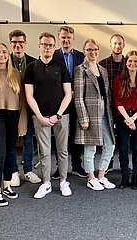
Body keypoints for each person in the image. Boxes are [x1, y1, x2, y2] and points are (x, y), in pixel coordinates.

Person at [24, 32, 72, 199]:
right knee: (44, 151)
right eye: (44, 45)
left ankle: (63, 181)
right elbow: (29, 95)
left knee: (63, 151)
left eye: (51, 45)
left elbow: (68, 94)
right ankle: (46, 183)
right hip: (40, 117)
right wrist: (40, 116)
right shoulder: (31, 68)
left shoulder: (60, 66)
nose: (47, 48)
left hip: (61, 115)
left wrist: (58, 115)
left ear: (54, 47)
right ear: (39, 46)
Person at [74, 39, 116, 191]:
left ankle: (101, 176)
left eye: (95, 49)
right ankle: (91, 178)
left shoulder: (103, 70)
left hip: (105, 113)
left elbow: (107, 94)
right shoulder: (80, 70)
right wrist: (83, 118)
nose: (92, 52)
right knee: (90, 148)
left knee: (110, 145)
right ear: (84, 51)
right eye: (89, 50)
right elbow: (78, 97)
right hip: (90, 114)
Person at [0, 43, 27, 207]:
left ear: (8, 54)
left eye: (4, 52)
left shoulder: (16, 74)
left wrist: (22, 122)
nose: (1, 55)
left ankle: (7, 185)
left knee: (11, 153)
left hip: (13, 115)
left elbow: (22, 102)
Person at [52, 26, 86, 179]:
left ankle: (77, 165)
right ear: (59, 39)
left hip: (77, 101)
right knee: (61, 135)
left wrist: (74, 92)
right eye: (63, 38)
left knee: (76, 134)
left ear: (73, 39)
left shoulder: (81, 56)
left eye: (69, 38)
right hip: (59, 103)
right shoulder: (53, 56)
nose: (66, 40)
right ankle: (60, 167)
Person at [8, 29, 41, 186]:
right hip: (10, 108)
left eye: (21, 42)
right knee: (12, 140)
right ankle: (13, 171)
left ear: (25, 43)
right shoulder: (3, 61)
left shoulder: (34, 63)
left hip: (29, 107)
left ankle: (28, 170)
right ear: (11, 44)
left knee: (28, 139)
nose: (18, 45)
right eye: (14, 42)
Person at [113, 50, 137, 189]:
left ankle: (135, 177)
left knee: (136, 147)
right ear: (126, 63)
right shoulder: (118, 81)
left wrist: (133, 118)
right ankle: (124, 178)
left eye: (135, 61)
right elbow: (117, 102)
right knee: (123, 148)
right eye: (130, 61)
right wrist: (127, 119)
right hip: (123, 117)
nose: (132, 64)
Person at [99, 33, 125, 172]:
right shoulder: (102, 64)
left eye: (120, 43)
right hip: (108, 105)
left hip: (123, 107)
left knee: (122, 137)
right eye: (115, 43)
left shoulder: (129, 63)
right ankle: (108, 163)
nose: (117, 46)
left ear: (123, 45)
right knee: (108, 136)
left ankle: (123, 164)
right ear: (110, 45)